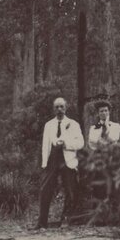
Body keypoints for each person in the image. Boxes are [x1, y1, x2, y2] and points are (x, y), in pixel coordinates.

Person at [32, 97, 84, 230]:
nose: (59, 109)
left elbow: (80, 143)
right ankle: (42, 222)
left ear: (66, 108)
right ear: (53, 109)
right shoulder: (49, 125)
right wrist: (44, 164)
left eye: (62, 106)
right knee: (45, 189)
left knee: (70, 190)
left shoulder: (74, 124)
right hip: (53, 159)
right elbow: (45, 145)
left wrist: (67, 144)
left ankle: (65, 220)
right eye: (57, 107)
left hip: (68, 160)